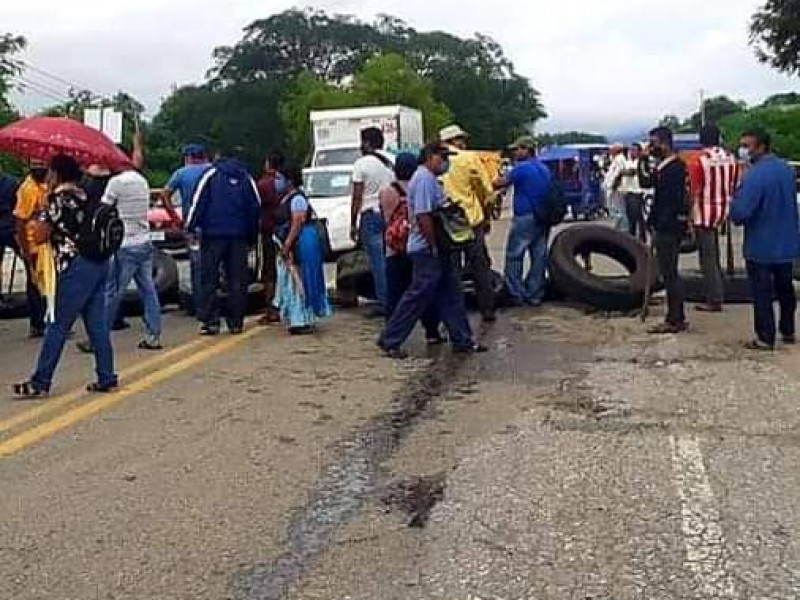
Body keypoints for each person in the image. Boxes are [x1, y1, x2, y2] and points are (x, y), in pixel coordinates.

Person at [13, 154, 117, 398]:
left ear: (56, 174)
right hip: (100, 262)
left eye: (50, 171)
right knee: (97, 324)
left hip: (76, 266)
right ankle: (106, 376)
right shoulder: (85, 194)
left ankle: (40, 381)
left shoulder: (57, 199)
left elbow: (39, 235)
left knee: (57, 324)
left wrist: (42, 210)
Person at [378, 143, 487, 359]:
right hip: (427, 249)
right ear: (429, 157)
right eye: (442, 157)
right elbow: (423, 215)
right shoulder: (424, 180)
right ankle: (390, 339)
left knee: (452, 293)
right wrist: (433, 245)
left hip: (439, 248)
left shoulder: (428, 179)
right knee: (418, 295)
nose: (445, 162)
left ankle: (462, 339)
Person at [730, 128, 800, 351]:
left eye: (747, 145)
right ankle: (788, 329)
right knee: (785, 288)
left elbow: (741, 212)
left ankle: (765, 337)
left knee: (762, 293)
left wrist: (733, 205)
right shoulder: (787, 170)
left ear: (760, 147)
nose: (743, 150)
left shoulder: (754, 175)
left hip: (761, 244)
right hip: (787, 242)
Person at [187, 149, 261, 336]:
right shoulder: (246, 178)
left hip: (213, 235)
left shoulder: (211, 175)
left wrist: (190, 227)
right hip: (238, 236)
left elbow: (198, 203)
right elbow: (255, 208)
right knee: (237, 279)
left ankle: (211, 321)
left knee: (209, 278)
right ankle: (236, 321)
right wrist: (252, 235)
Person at [379, 151, 442, 344]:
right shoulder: (419, 185)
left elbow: (386, 220)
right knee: (423, 292)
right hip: (415, 244)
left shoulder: (388, 191)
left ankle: (391, 329)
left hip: (394, 248)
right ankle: (432, 330)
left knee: (396, 293)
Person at [439, 124, 497, 322]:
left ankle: (455, 312)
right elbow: (487, 191)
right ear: (454, 141)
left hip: (446, 222)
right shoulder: (469, 158)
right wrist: (486, 215)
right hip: (471, 219)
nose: (464, 143)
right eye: (461, 139)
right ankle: (487, 309)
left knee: (451, 268)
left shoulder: (434, 161)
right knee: (479, 266)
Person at [686, 124, 740, 313]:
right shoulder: (731, 158)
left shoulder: (698, 160)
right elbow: (734, 185)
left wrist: (689, 215)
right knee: (715, 255)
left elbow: (694, 190)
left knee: (707, 258)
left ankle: (714, 298)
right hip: (723, 210)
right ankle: (718, 291)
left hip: (703, 212)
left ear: (701, 139)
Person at [272, 164, 332, 334]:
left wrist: (287, 245)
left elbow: (297, 223)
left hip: (299, 247)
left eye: (279, 178)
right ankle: (298, 318)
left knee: (299, 282)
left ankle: (301, 320)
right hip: (292, 245)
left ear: (289, 181)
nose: (276, 182)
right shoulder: (287, 198)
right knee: (291, 283)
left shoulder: (297, 199)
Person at [495, 136, 552, 307]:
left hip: (525, 216)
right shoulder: (544, 168)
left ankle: (516, 294)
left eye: (517, 149)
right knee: (539, 256)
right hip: (543, 216)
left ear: (526, 150)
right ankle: (535, 293)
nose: (515, 152)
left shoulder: (521, 168)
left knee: (514, 255)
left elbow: (499, 183)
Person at [646, 126, 689, 334]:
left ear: (664, 143)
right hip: (664, 224)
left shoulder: (675, 168)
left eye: (653, 143)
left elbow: (671, 202)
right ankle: (675, 316)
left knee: (670, 273)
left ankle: (675, 318)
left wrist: (659, 224)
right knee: (668, 272)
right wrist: (644, 161)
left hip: (669, 227)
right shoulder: (664, 166)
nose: (651, 147)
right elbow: (647, 182)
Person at [350, 127, 395, 318]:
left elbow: (357, 196)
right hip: (390, 213)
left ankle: (386, 303)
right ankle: (394, 298)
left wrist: (353, 222)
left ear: (367, 143)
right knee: (391, 259)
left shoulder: (361, 164)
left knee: (378, 262)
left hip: (371, 215)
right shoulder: (390, 161)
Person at [163, 144, 211, 315]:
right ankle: (213, 303)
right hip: (213, 225)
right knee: (213, 264)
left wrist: (174, 217)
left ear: (187, 158)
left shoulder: (181, 173)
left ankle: (199, 306)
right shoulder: (212, 171)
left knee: (196, 266)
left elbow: (165, 194)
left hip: (191, 226)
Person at [11, 161, 49, 337]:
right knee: (35, 283)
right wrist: (24, 248)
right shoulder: (27, 189)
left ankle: (45, 320)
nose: (40, 168)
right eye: (36, 165)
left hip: (44, 244)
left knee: (46, 282)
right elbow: (20, 221)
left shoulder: (44, 185)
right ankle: (37, 323)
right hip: (32, 244)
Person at [257, 151, 284, 324]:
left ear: (268, 164)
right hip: (286, 229)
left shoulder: (263, 184)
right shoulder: (286, 183)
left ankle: (272, 309)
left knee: (269, 270)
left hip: (268, 230)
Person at [621, 143, 647, 241]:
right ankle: (631, 239)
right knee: (631, 218)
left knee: (639, 217)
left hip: (637, 192)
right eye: (631, 150)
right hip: (628, 192)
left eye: (634, 150)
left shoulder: (640, 162)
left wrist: (626, 172)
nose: (632, 152)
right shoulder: (627, 162)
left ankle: (641, 238)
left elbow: (631, 172)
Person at [604, 143, 629, 232]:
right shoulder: (616, 159)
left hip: (616, 189)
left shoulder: (620, 159)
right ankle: (619, 228)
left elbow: (620, 173)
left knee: (618, 210)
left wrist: (614, 186)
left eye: (612, 149)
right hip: (613, 188)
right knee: (615, 209)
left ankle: (621, 229)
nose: (610, 151)